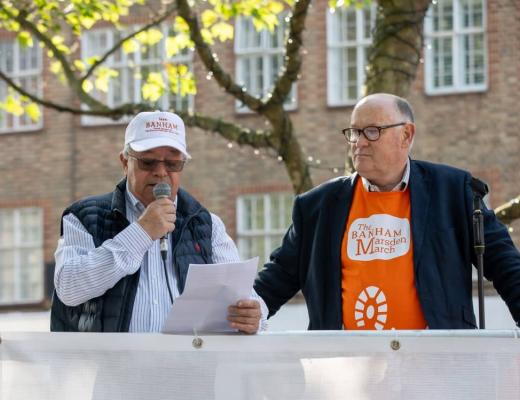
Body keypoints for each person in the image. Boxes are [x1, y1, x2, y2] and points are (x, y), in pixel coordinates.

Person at [254, 93, 520, 330]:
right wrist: (252, 310)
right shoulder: (318, 206)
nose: (359, 142)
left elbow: (504, 264)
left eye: (371, 131)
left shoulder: (452, 190)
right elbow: (278, 276)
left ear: (406, 135)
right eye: (354, 132)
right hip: (345, 369)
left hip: (437, 365)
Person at [51, 111, 263, 333]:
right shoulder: (83, 217)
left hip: (187, 365)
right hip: (113, 365)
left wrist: (253, 315)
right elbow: (69, 287)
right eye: (148, 162)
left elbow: (246, 298)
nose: (161, 172)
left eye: (172, 164)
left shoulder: (207, 224)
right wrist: (141, 232)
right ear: (125, 162)